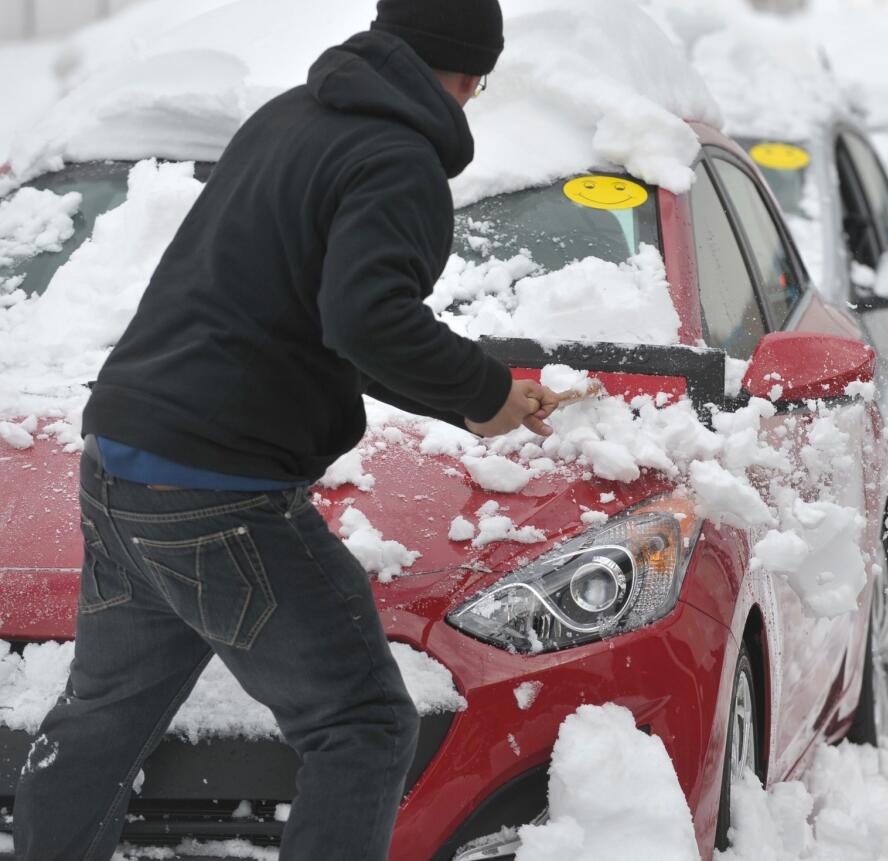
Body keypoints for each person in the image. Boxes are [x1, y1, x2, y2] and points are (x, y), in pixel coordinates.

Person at [13, 1, 554, 859]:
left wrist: (473, 398)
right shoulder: (398, 158)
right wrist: (486, 388)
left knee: (102, 719)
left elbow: (332, 319)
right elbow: (368, 319)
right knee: (364, 722)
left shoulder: (290, 119)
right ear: (465, 74)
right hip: (218, 492)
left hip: (122, 463)